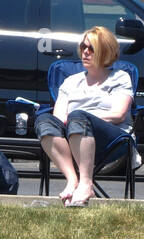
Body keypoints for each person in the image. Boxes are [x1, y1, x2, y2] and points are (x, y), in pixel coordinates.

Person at [34, 26, 134, 207]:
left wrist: (83, 118)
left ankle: (86, 183)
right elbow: (58, 116)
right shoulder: (71, 82)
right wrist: (74, 121)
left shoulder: (120, 78)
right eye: (83, 47)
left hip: (110, 138)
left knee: (78, 116)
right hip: (72, 135)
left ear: (105, 51)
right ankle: (73, 180)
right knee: (44, 121)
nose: (85, 52)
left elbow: (118, 114)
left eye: (92, 48)